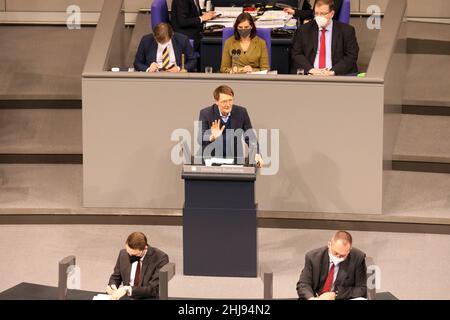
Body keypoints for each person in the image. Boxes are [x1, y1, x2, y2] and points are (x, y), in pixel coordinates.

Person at [198, 85, 264, 167]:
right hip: (212, 161)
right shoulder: (206, 113)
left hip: (234, 161)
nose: (228, 104)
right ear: (216, 101)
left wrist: (256, 153)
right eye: (224, 101)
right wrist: (212, 137)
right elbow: (200, 138)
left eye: (230, 100)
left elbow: (250, 137)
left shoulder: (241, 112)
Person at [291, 0, 359, 76]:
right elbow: (296, 54)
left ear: (332, 14)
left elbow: (351, 56)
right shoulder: (304, 30)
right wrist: (311, 70)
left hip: (336, 75)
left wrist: (332, 72)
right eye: (316, 13)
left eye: (323, 14)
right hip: (311, 74)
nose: (319, 17)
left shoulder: (346, 31)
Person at [296, 230, 367, 300]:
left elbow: (361, 289)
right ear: (329, 245)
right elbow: (303, 284)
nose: (338, 257)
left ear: (349, 249)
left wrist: (335, 295)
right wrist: (313, 299)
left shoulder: (358, 257)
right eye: (335, 253)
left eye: (342, 255)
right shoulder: (313, 257)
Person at [106, 232, 169, 300]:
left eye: (134, 255)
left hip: (147, 297)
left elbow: (153, 289)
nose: (130, 256)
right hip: (126, 297)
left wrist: (128, 289)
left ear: (145, 248)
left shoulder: (160, 258)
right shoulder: (123, 253)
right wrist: (112, 285)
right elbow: (115, 277)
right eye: (128, 252)